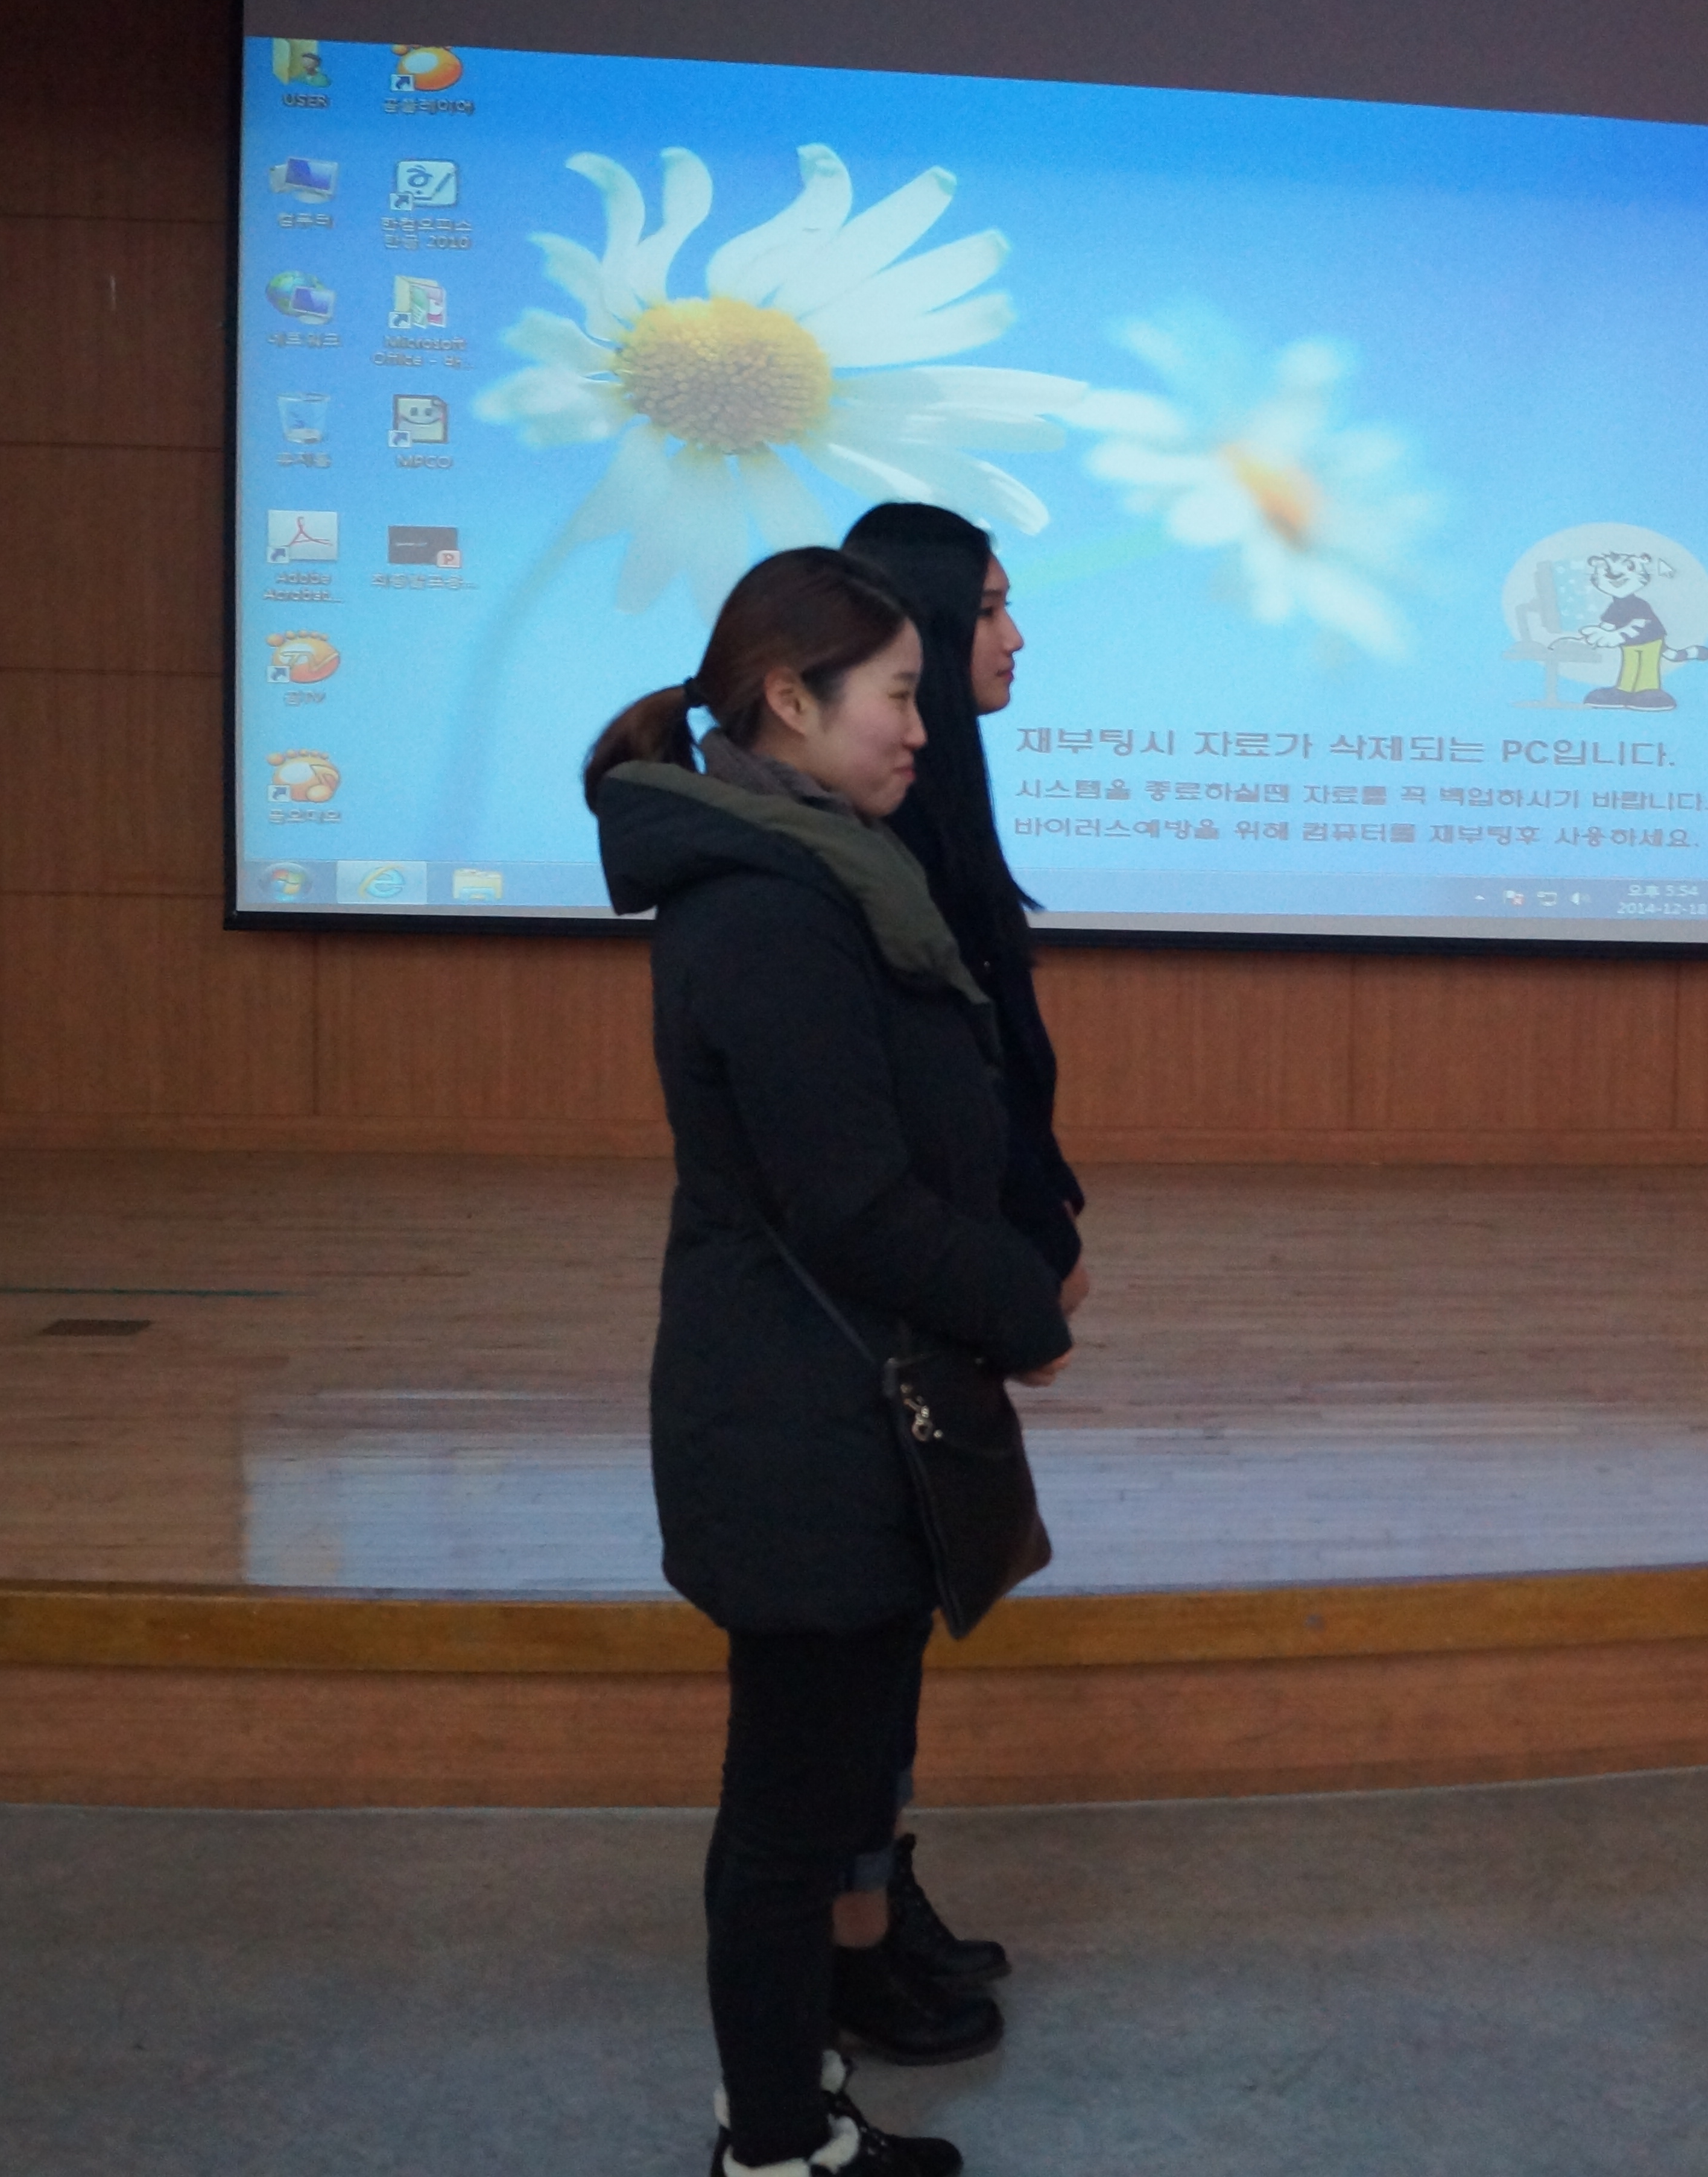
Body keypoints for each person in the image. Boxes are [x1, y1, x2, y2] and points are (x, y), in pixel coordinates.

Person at [584, 548, 1075, 2177]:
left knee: (812, 1790)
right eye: (897, 697)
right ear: (789, 700)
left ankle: (792, 2119)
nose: (922, 731)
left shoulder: (810, 872)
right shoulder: (771, 911)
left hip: (827, 1404)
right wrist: (1023, 1306)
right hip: (802, 1417)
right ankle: (776, 2150)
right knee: (791, 1820)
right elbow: (852, 1201)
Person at [827, 500, 1090, 2027]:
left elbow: (1001, 1070)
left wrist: (1046, 1221)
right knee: (863, 1618)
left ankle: (878, 1893)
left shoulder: (937, 815)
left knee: (903, 1600)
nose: (1014, 635)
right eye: (988, 606)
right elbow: (923, 1120)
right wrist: (1014, 1273)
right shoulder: (866, 852)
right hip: (892, 1310)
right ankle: (850, 1929)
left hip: (951, 1286)